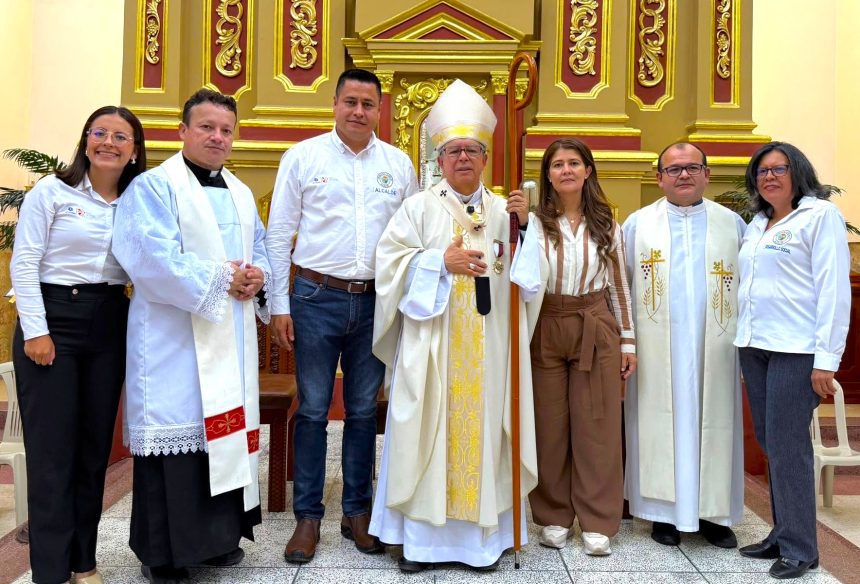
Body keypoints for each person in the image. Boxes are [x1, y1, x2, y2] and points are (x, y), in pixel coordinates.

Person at [369, 79, 536, 572]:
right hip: (432, 346)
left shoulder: (508, 211)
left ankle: (484, 544)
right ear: (439, 161)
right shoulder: (418, 207)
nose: (463, 158)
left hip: (491, 352)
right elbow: (389, 265)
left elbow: (529, 280)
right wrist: (438, 262)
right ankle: (420, 546)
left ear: (485, 158)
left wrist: (524, 235)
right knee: (425, 434)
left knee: (484, 437)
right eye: (453, 151)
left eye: (472, 150)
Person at [112, 89, 271, 584]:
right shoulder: (154, 188)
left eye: (226, 129)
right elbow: (150, 258)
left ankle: (217, 540)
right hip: (173, 341)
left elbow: (260, 247)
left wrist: (257, 277)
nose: (217, 137)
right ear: (182, 131)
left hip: (229, 334)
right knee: (179, 444)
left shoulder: (242, 192)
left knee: (220, 439)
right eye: (206, 127)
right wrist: (226, 278)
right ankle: (163, 554)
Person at [266, 68, 418, 563]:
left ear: (380, 110)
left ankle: (357, 510)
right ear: (334, 104)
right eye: (350, 101)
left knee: (360, 409)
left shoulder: (398, 164)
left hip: (376, 299)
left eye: (368, 104)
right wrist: (279, 304)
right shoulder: (303, 157)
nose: (358, 111)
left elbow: (410, 237)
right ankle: (307, 516)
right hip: (315, 296)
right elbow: (278, 234)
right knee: (311, 409)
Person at [10, 105, 146, 584]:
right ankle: (49, 572)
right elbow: (24, 264)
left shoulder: (138, 202)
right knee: (52, 457)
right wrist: (38, 331)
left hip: (110, 322)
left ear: (134, 151)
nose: (108, 142)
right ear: (86, 140)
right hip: (53, 321)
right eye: (100, 133)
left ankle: (83, 564)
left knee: (92, 453)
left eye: (120, 136)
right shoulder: (53, 191)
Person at [512, 138, 636, 556]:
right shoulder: (533, 223)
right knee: (549, 425)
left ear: (587, 171)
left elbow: (619, 286)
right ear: (547, 175)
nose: (566, 170)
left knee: (596, 424)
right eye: (558, 164)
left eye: (574, 163)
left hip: (594, 324)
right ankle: (552, 515)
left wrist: (627, 340)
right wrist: (519, 224)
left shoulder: (607, 225)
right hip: (546, 323)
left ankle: (599, 520)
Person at [734, 142, 850, 579]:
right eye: (761, 172)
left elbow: (834, 290)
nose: (769, 177)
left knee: (788, 447)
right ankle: (782, 534)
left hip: (796, 349)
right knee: (771, 444)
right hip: (755, 343)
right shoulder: (758, 223)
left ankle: (802, 548)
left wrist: (827, 360)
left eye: (778, 169)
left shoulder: (819, 217)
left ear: (797, 171)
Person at [622, 142, 746, 550]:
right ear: (659, 178)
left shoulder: (733, 225)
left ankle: (714, 515)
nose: (684, 175)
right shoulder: (638, 225)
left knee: (715, 422)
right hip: (658, 347)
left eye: (693, 168)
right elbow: (620, 289)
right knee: (657, 418)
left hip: (717, 347)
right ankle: (663, 514)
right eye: (674, 170)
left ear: (707, 174)